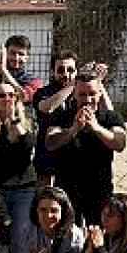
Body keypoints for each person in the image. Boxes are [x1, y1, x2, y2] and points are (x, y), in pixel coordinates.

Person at [45, 71, 126, 226]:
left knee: (98, 236)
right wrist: (73, 129)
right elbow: (50, 142)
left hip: (99, 190)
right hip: (67, 189)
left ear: (100, 93)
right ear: (74, 94)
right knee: (65, 237)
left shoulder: (110, 117)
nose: (87, 100)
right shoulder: (62, 116)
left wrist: (96, 128)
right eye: (82, 94)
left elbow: (119, 143)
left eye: (92, 94)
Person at [0, 76, 38, 250]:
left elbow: (28, 147)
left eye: (11, 95)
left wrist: (14, 121)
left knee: (20, 236)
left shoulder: (27, 119)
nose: (7, 99)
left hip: (23, 188)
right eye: (1, 95)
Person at [31, 51, 81, 186]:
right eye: (61, 70)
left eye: (70, 70)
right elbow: (47, 107)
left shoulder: (81, 94)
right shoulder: (42, 93)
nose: (66, 74)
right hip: (47, 158)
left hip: (73, 160)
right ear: (53, 72)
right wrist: (72, 86)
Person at [0, 35, 44, 104]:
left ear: (27, 57)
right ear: (5, 54)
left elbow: (24, 97)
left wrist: (4, 71)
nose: (16, 58)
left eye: (21, 54)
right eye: (12, 53)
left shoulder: (35, 82)